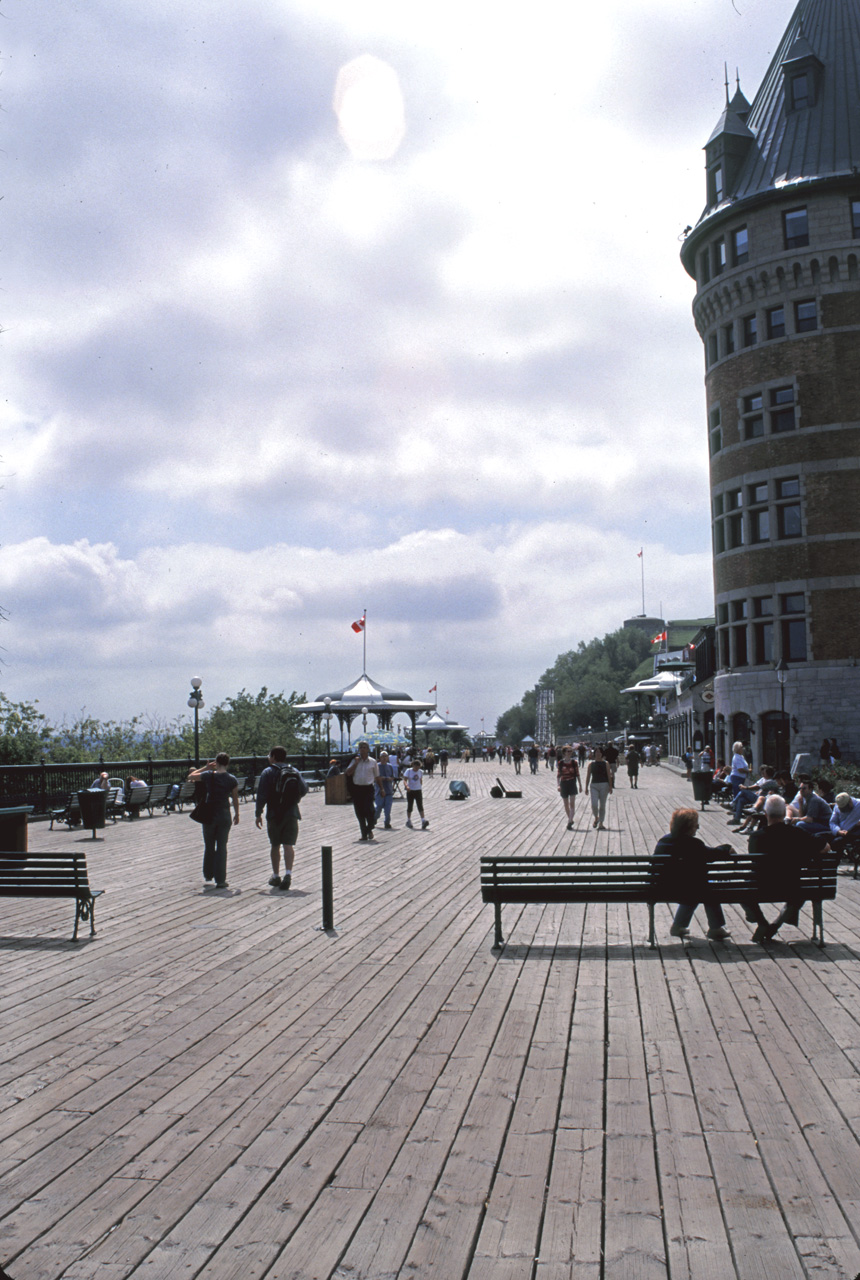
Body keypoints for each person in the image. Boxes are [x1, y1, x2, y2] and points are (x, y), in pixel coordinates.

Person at [747, 794, 829, 941]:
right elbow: (825, 847)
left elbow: (754, 862)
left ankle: (762, 922)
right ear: (784, 814)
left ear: (766, 815)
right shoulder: (797, 833)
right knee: (803, 892)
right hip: (792, 886)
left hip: (761, 887)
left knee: (741, 889)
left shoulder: (756, 836)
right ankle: (775, 925)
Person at [652, 807, 732, 940]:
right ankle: (716, 928)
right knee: (703, 887)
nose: (697, 828)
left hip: (661, 888)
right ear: (688, 827)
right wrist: (727, 848)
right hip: (683, 890)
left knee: (694, 885)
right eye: (696, 825)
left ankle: (679, 926)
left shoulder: (664, 841)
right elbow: (712, 855)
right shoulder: (693, 844)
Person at [255, 746, 307, 890]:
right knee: (288, 845)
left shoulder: (268, 772)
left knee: (275, 845)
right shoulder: (294, 770)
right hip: (291, 812)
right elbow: (304, 789)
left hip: (274, 813)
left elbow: (262, 795)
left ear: (272, 757)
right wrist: (292, 799)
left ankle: (276, 875)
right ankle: (288, 874)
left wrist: (258, 813)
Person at [188, 753, 239, 888]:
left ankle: (208, 874)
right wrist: (237, 814)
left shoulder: (208, 775)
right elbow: (234, 798)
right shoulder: (232, 779)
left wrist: (205, 767)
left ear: (216, 762)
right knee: (222, 846)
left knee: (209, 845)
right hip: (224, 813)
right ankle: (221, 880)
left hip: (209, 814)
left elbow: (190, 777)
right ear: (228, 763)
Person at [345, 741, 380, 841]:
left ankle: (369, 828)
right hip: (357, 789)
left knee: (370, 810)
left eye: (364, 747)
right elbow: (348, 773)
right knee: (359, 812)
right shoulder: (354, 761)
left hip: (368, 788)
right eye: (361, 748)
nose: (362, 749)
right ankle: (364, 833)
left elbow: (377, 776)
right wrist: (355, 764)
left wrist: (381, 789)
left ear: (368, 749)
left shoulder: (373, 762)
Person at [585, 745, 613, 830]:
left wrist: (610, 787)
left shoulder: (606, 763)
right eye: (596, 752)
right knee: (594, 804)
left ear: (602, 753)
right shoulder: (591, 764)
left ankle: (601, 822)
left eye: (599, 752)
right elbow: (588, 776)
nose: (598, 753)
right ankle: (596, 817)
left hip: (604, 785)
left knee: (602, 805)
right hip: (594, 785)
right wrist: (586, 787)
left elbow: (609, 775)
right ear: (594, 753)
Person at [557, 746, 580, 829]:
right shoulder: (561, 763)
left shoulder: (574, 762)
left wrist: (580, 785)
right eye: (568, 751)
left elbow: (577, 773)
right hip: (564, 784)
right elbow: (558, 775)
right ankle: (570, 819)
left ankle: (569, 821)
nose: (570, 752)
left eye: (571, 751)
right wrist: (558, 785)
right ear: (564, 753)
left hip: (572, 783)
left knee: (572, 803)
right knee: (566, 804)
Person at [374, 750, 397, 829]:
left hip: (388, 790)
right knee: (378, 807)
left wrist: (390, 779)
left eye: (385, 756)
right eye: (382, 756)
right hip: (379, 791)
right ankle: (374, 819)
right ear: (380, 758)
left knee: (388, 809)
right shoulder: (377, 766)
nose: (384, 758)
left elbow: (392, 776)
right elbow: (375, 778)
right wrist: (382, 779)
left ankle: (387, 823)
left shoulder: (390, 766)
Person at [404, 758, 429, 829]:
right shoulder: (408, 771)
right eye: (416, 767)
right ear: (413, 765)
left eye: (418, 767)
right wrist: (406, 786)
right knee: (410, 805)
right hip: (410, 790)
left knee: (420, 805)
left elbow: (420, 779)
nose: (417, 768)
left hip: (418, 790)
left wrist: (420, 785)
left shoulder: (420, 772)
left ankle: (423, 820)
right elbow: (405, 780)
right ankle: (408, 820)